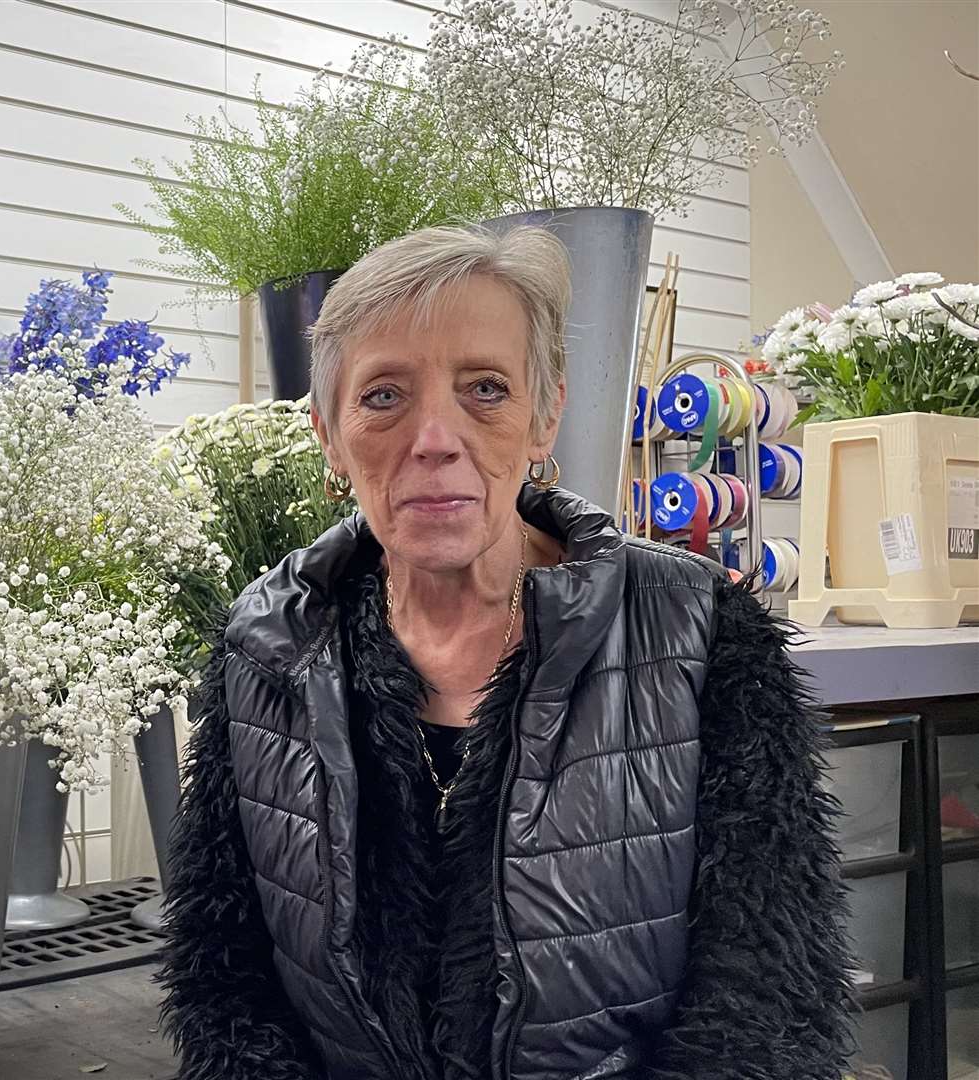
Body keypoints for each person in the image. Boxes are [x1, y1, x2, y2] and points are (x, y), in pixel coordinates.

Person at [158, 225, 854, 1079]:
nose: (434, 438)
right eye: (383, 397)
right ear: (329, 437)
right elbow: (222, 974)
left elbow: (768, 995)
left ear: (543, 417)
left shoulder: (699, 632)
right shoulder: (266, 646)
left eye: (484, 387)